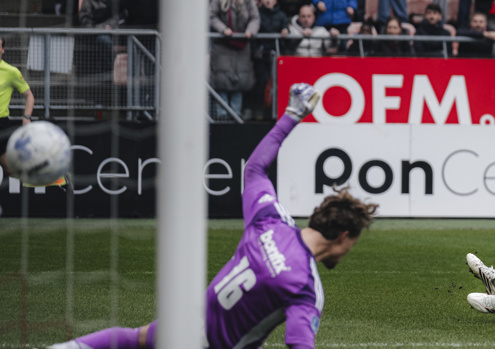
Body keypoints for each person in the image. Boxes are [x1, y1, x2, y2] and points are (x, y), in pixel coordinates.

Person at [47, 83, 378, 349]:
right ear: (344, 236)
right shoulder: (306, 287)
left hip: (187, 324)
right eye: (354, 242)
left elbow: (254, 169)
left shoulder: (271, 221)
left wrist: (292, 115)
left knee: (137, 338)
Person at [209, 0, 261, 120]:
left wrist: (250, 31)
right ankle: (222, 115)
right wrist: (223, 29)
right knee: (222, 81)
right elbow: (212, 16)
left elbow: (255, 18)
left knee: (239, 81)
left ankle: (236, 116)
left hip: (242, 46)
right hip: (222, 46)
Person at [0, 35, 36, 178]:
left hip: (1, 124)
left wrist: (27, 117)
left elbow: (29, 96)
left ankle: (56, 179)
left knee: (11, 170)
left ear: (3, 50)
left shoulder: (11, 72)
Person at [79, 0, 121, 75]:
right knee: (104, 39)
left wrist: (113, 27)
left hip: (121, 31)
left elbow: (127, 15)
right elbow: (85, 21)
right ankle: (111, 73)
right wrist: (102, 28)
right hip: (101, 34)